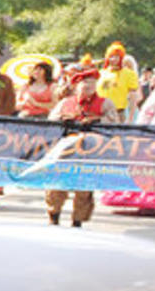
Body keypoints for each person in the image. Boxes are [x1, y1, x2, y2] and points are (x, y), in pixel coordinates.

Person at [45, 71, 117, 227]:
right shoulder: (66, 103)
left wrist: (97, 120)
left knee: (84, 187)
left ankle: (78, 219)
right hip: (65, 150)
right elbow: (51, 121)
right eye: (85, 82)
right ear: (77, 86)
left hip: (90, 151)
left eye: (92, 82)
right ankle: (54, 214)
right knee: (57, 183)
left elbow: (114, 122)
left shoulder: (105, 103)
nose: (89, 85)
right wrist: (64, 120)